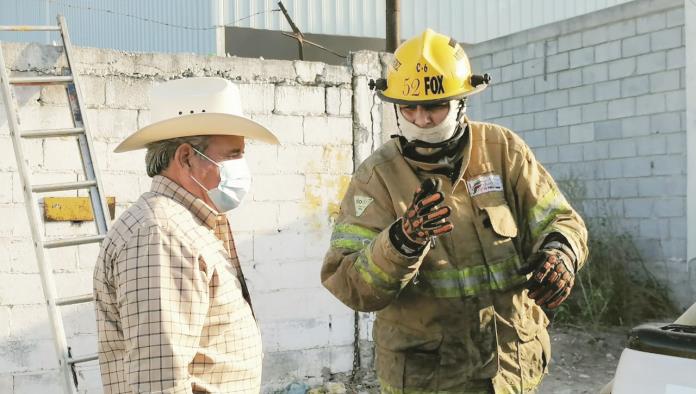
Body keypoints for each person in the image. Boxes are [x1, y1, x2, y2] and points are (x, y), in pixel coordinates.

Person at [321, 29, 588, 393]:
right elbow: (350, 285)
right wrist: (401, 242)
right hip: (428, 379)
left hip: (511, 370)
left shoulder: (502, 150)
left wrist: (560, 253)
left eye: (434, 106)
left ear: (461, 100)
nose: (421, 119)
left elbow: (559, 219)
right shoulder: (375, 179)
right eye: (408, 107)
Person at [93, 77, 279, 393]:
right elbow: (159, 380)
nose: (241, 167)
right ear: (185, 157)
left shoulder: (186, 224)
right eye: (233, 154)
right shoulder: (161, 235)